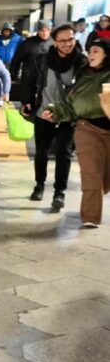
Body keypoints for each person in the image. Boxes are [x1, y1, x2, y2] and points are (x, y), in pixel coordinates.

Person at [43, 40, 110, 228]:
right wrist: (56, 111)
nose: (91, 54)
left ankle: (95, 192)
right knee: (92, 175)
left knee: (104, 179)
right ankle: (90, 216)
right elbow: (72, 106)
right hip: (87, 130)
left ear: (106, 55)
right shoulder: (84, 75)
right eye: (89, 51)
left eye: (96, 51)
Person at [22, 24, 87, 209]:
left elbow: (83, 90)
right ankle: (39, 185)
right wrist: (27, 100)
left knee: (63, 153)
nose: (68, 44)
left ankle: (60, 192)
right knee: (41, 152)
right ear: (55, 41)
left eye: (71, 39)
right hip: (44, 113)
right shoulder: (43, 59)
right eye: (63, 40)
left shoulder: (81, 61)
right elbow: (31, 80)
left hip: (68, 116)